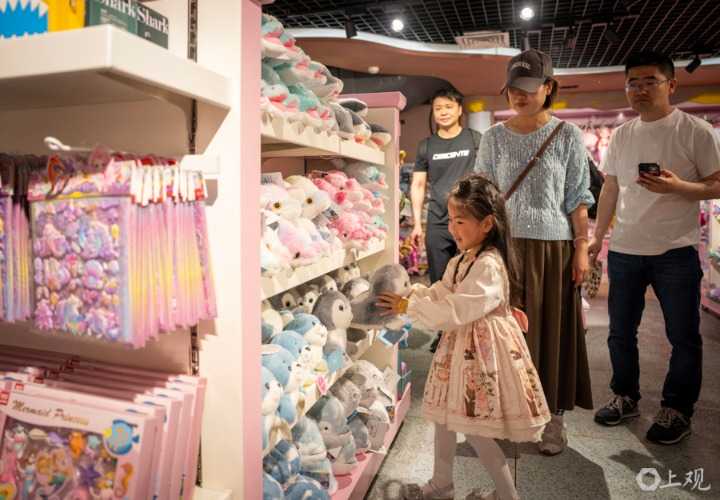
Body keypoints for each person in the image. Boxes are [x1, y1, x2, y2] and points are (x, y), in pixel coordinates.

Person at [378, 175, 550, 500]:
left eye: (460, 221)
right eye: (450, 220)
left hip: (482, 356)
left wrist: (409, 305)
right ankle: (441, 484)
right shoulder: (462, 260)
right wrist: (415, 294)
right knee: (445, 419)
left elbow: (457, 310)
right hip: (459, 351)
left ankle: (507, 495)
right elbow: (444, 291)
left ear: (486, 224)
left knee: (474, 429)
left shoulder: (489, 264)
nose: (452, 228)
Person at [590, 50, 720, 444]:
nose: (640, 90)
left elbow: (716, 184)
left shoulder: (696, 130)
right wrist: (598, 236)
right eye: (633, 83)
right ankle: (625, 396)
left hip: (675, 250)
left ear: (671, 85)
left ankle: (677, 409)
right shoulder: (623, 134)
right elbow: (611, 187)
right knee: (620, 333)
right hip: (625, 249)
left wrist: (679, 187)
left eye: (650, 81)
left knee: (683, 336)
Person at [475, 49, 595, 456]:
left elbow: (578, 197)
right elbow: (482, 196)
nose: (519, 95)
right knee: (502, 334)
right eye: (513, 88)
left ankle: (552, 421)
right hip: (503, 249)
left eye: (528, 87)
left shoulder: (567, 135)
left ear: (548, 87)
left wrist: (581, 248)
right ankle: (507, 412)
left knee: (549, 333)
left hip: (552, 250)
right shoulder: (493, 137)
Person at [410, 89, 482, 352]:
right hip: (438, 221)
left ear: (460, 110)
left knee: (470, 276)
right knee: (440, 280)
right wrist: (417, 223)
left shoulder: (474, 139)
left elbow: (485, 176)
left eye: (448, 107)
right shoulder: (426, 146)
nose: (443, 112)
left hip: (470, 219)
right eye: (438, 108)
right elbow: (418, 184)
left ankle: (471, 331)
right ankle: (445, 334)